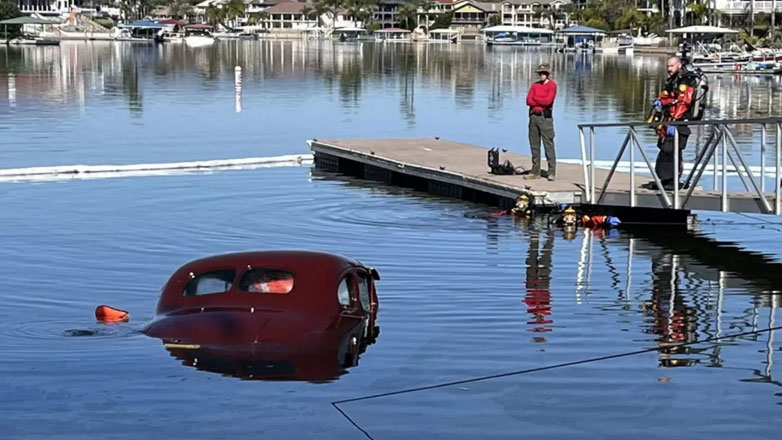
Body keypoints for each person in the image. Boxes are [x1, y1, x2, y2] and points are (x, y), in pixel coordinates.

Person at [649, 56, 698, 190]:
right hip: (669, 119)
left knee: (672, 150)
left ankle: (672, 181)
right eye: (668, 67)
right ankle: (664, 180)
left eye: (671, 66)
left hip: (678, 121)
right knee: (664, 148)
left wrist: (675, 120)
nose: (669, 69)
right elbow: (669, 96)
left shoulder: (685, 80)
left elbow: (684, 102)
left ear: (679, 65)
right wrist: (660, 102)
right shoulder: (673, 80)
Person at [525, 63, 557, 181]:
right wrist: (538, 101)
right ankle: (535, 171)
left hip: (545, 118)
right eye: (540, 73)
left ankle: (551, 171)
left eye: (544, 73)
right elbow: (528, 100)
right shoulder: (535, 85)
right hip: (533, 117)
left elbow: (548, 102)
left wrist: (536, 100)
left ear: (548, 74)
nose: (542, 75)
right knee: (534, 144)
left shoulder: (552, 86)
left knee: (548, 144)